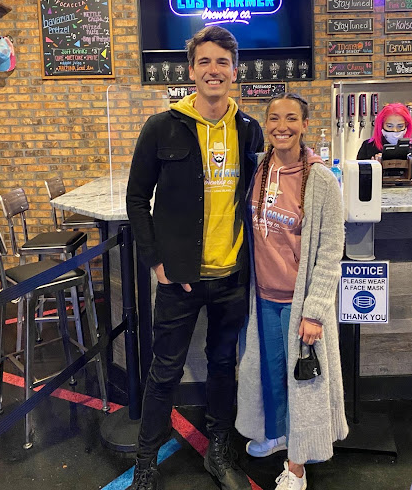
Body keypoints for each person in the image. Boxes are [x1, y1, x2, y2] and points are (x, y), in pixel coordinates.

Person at [126, 26, 264, 490]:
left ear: (235, 70)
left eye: (222, 62)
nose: (213, 70)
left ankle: (218, 450)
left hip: (232, 277)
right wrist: (156, 262)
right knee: (164, 371)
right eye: (204, 61)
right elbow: (137, 198)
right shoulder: (162, 126)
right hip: (179, 279)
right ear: (191, 70)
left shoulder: (249, 129)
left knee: (224, 365)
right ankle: (146, 462)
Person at [235, 93, 348, 490]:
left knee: (304, 384)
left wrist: (314, 311)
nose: (281, 126)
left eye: (291, 119)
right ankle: (279, 434)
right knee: (269, 373)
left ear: (304, 125)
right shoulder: (258, 169)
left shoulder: (321, 180)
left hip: (299, 304)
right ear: (265, 124)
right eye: (273, 118)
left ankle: (297, 467)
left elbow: (331, 251)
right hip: (263, 298)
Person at [357, 102, 412, 187]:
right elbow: (358, 174)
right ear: (382, 125)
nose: (395, 130)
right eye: (389, 126)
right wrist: (372, 167)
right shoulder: (369, 146)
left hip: (408, 191)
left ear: (406, 126)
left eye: (400, 126)